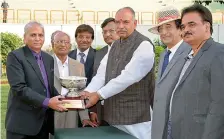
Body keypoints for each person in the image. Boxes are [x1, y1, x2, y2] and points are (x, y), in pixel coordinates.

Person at [81, 7, 155, 139]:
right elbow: (102, 74)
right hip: (114, 116)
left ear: (135, 23)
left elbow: (128, 77)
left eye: (125, 22)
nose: (121, 26)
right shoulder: (115, 45)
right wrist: (88, 91)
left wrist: (98, 95)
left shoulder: (144, 45)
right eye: (117, 22)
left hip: (136, 117)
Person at [167, 4, 224, 139]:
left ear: (207, 27)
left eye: (191, 24)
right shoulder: (188, 56)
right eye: (183, 26)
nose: (186, 29)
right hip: (181, 131)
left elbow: (220, 104)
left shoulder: (218, 53)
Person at [5, 21, 67, 139]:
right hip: (22, 125)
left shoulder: (48, 58)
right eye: (33, 35)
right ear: (25, 38)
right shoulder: (15, 56)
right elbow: (19, 88)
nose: (37, 38)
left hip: (43, 124)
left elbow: (48, 86)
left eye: (41, 35)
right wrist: (48, 102)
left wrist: (67, 99)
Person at [148, 6, 191, 139]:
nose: (164, 32)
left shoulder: (190, 53)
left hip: (180, 125)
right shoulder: (163, 55)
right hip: (160, 123)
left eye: (168, 27)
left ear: (180, 29)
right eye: (161, 29)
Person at [51, 31, 97, 129]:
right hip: (50, 112)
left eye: (66, 42)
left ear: (70, 45)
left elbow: (81, 92)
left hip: (72, 113)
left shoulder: (79, 66)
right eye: (59, 41)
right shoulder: (46, 63)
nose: (63, 44)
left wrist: (84, 117)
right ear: (52, 44)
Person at [90, 17, 119, 126]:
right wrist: (93, 110)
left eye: (111, 31)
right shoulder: (99, 54)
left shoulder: (130, 51)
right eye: (104, 32)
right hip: (102, 108)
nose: (107, 35)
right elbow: (97, 78)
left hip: (122, 109)